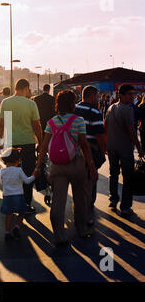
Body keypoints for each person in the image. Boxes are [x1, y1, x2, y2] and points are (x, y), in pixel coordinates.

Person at [35, 90, 98, 245]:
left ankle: (59, 235)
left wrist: (37, 167)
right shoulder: (78, 121)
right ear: (72, 103)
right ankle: (81, 229)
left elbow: (43, 147)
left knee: (58, 201)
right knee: (80, 198)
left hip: (57, 165)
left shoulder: (52, 122)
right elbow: (84, 145)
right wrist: (91, 165)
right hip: (76, 163)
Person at [0, 79, 43, 214]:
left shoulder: (5, 102)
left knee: (13, 173)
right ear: (25, 88)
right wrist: (40, 142)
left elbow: (2, 123)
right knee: (28, 173)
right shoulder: (31, 104)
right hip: (28, 143)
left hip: (12, 143)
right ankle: (26, 203)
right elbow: (36, 125)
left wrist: (1, 138)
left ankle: (12, 203)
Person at [105, 84, 145, 216]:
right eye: (129, 94)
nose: (132, 97)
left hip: (112, 147)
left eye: (133, 94)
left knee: (113, 174)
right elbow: (131, 131)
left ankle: (113, 199)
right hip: (125, 148)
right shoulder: (127, 109)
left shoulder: (111, 107)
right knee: (128, 177)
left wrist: (106, 143)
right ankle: (125, 206)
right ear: (120, 95)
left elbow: (105, 126)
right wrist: (139, 149)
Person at [74, 86, 106, 224]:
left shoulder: (74, 109)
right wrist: (103, 149)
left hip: (74, 150)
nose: (98, 99)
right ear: (91, 96)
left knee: (77, 182)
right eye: (97, 96)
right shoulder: (95, 111)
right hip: (90, 150)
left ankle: (78, 206)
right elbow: (99, 135)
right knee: (90, 180)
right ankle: (87, 209)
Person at [0, 148, 37, 241]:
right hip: (18, 195)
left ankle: (7, 233)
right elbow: (27, 181)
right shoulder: (19, 170)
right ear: (17, 160)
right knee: (21, 212)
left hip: (7, 196)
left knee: (9, 215)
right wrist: (35, 175)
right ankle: (16, 227)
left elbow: (2, 183)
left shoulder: (2, 171)